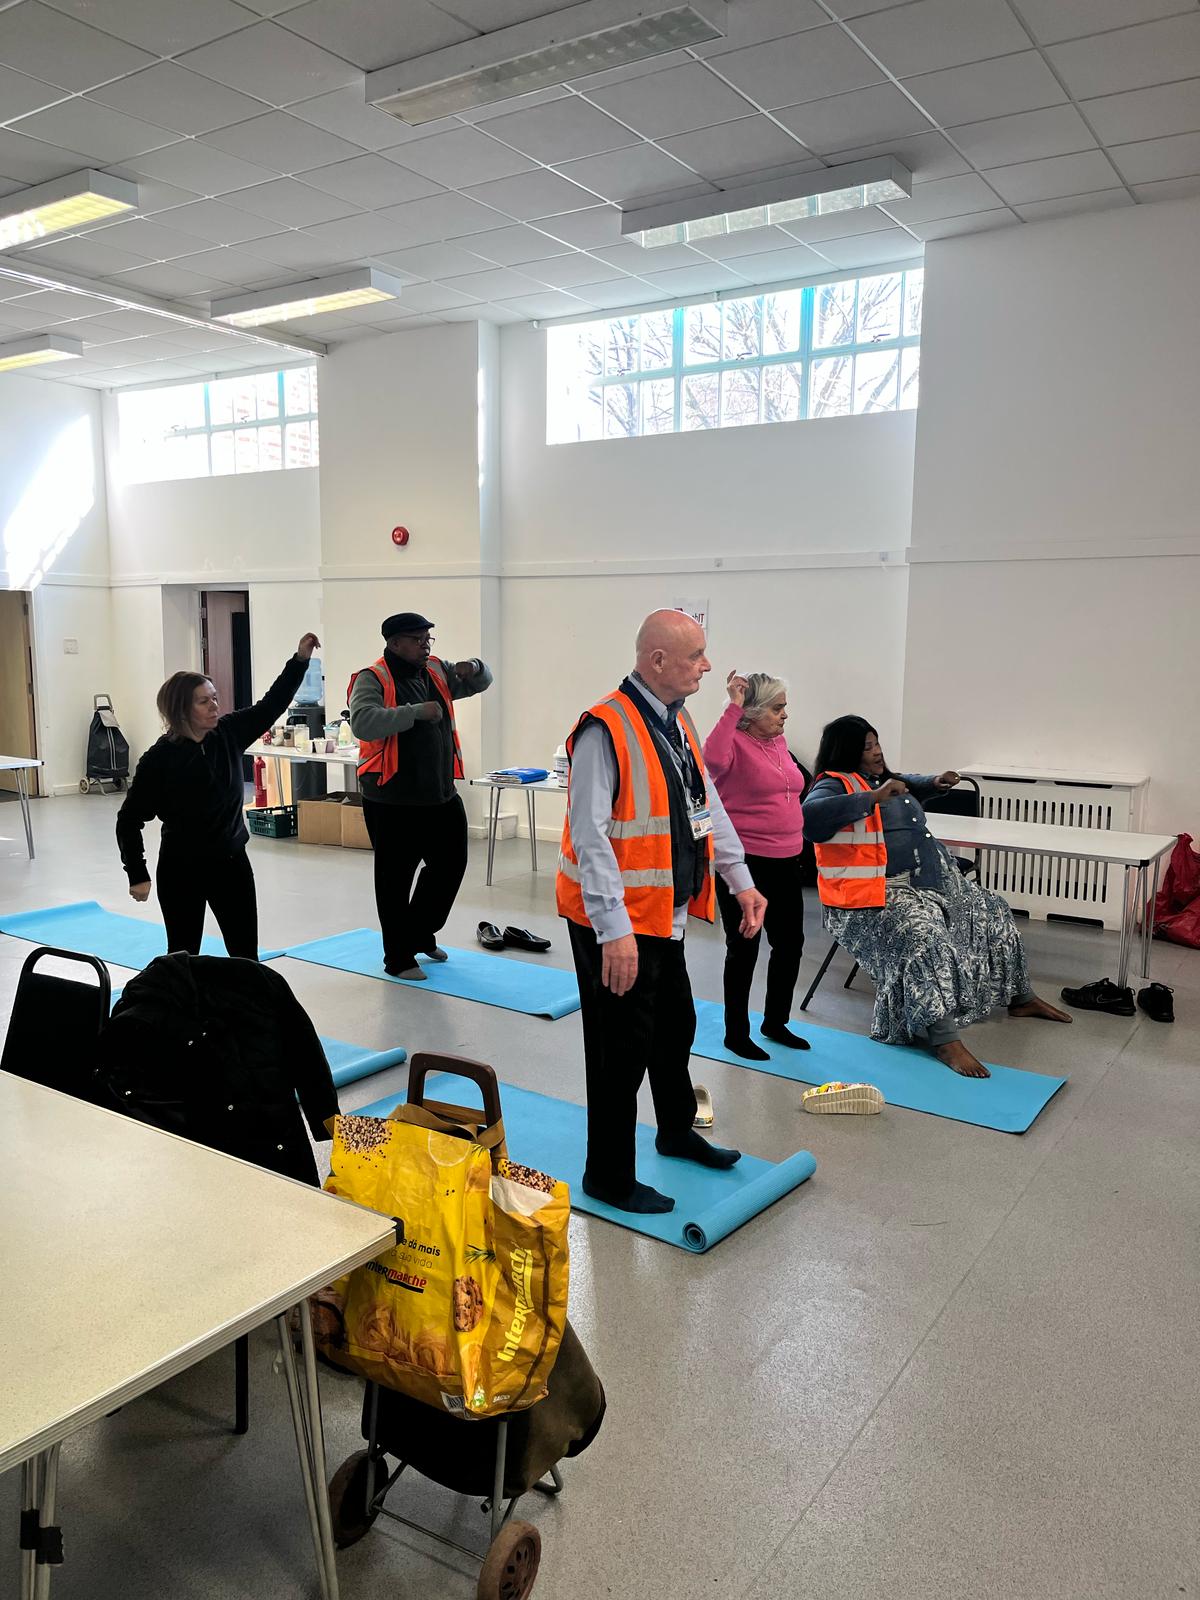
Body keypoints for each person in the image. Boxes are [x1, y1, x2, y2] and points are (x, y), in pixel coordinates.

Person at [556, 609, 767, 1216]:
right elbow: (590, 836)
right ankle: (608, 1176)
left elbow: (707, 806)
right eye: (696, 655)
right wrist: (613, 931)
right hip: (616, 922)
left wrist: (740, 881)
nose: (707, 665)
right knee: (618, 1050)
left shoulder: (677, 721)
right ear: (657, 661)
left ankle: (676, 1130)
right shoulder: (604, 729)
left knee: (675, 1027)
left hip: (662, 915)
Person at [802, 715, 1070, 1077]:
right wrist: (871, 799)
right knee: (923, 937)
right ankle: (944, 1039)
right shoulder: (832, 785)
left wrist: (934, 783)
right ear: (846, 751)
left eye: (877, 742)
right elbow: (809, 816)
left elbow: (908, 783)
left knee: (993, 910)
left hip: (929, 881)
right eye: (867, 747)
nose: (877, 751)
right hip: (872, 895)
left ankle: (1021, 997)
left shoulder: (882, 779)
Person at [116, 633, 320, 958]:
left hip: (231, 861)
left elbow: (271, 705)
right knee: (183, 954)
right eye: (204, 701)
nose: (214, 706)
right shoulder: (159, 759)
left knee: (245, 954)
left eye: (214, 698)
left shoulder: (228, 732)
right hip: (182, 867)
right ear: (181, 709)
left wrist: (300, 661)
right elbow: (129, 819)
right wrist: (137, 873)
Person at [348, 612, 492, 980]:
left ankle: (418, 933)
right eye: (418, 639)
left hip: (440, 794)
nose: (426, 646)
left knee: (451, 866)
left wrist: (474, 667)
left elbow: (482, 681)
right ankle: (398, 957)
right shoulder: (373, 678)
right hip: (392, 800)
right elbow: (362, 722)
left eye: (429, 639)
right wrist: (414, 712)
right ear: (395, 643)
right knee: (394, 881)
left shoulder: (436, 670)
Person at [703, 671, 809, 1060]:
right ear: (753, 711)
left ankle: (775, 1022)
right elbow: (710, 759)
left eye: (785, 707)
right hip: (746, 863)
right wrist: (733, 706)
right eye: (777, 708)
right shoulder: (732, 741)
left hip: (787, 860)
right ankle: (736, 1033)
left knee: (790, 944)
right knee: (744, 948)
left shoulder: (778, 742)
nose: (785, 715)